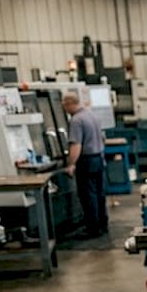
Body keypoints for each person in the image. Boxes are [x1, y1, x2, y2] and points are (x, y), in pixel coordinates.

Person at [63, 92, 108, 237]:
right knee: (99, 193)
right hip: (98, 158)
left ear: (69, 104)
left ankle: (93, 229)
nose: (64, 109)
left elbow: (76, 145)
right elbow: (103, 138)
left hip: (86, 161)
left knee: (88, 196)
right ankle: (102, 224)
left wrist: (71, 164)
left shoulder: (76, 120)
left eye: (64, 106)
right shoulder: (92, 115)